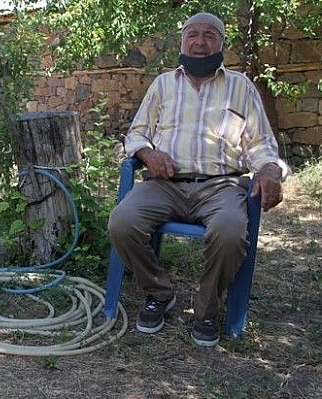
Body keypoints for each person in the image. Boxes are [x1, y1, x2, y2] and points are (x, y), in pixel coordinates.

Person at [107, 12, 289, 347]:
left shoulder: (240, 86)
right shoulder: (163, 84)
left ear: (222, 43)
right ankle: (159, 292)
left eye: (209, 35)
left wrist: (269, 169)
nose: (200, 42)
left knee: (231, 232)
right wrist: (148, 155)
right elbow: (136, 134)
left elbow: (262, 144)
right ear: (183, 41)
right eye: (193, 34)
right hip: (165, 184)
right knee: (122, 222)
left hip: (221, 187)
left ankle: (206, 309)